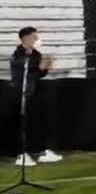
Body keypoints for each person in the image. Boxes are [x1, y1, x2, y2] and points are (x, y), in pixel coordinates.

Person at [7, 27, 62, 166]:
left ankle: (40, 151)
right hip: (21, 92)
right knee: (23, 124)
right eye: (33, 37)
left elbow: (39, 73)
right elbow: (23, 66)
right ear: (24, 38)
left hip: (36, 91)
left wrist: (45, 67)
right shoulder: (18, 53)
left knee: (38, 123)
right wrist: (38, 66)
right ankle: (21, 154)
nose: (36, 39)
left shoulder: (36, 54)